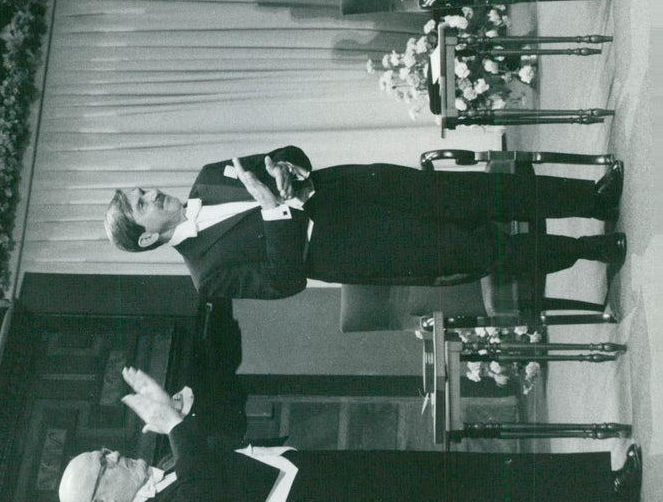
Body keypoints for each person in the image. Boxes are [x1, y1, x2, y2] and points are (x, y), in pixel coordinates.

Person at [58, 366, 641, 502]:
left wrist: (187, 415)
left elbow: (217, 461)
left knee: (467, 480)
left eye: (105, 453)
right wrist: (173, 424)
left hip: (318, 477)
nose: (114, 456)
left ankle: (603, 491)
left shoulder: (161, 471)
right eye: (103, 467)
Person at [104, 147, 626, 300]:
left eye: (143, 188)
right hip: (352, 247)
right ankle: (588, 249)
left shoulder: (208, 175)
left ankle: (591, 199)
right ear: (147, 235)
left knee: (475, 195)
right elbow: (285, 281)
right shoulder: (206, 275)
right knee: (478, 251)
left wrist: (288, 168)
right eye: (143, 201)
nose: (153, 191)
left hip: (350, 188)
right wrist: (271, 209)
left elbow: (283, 154)